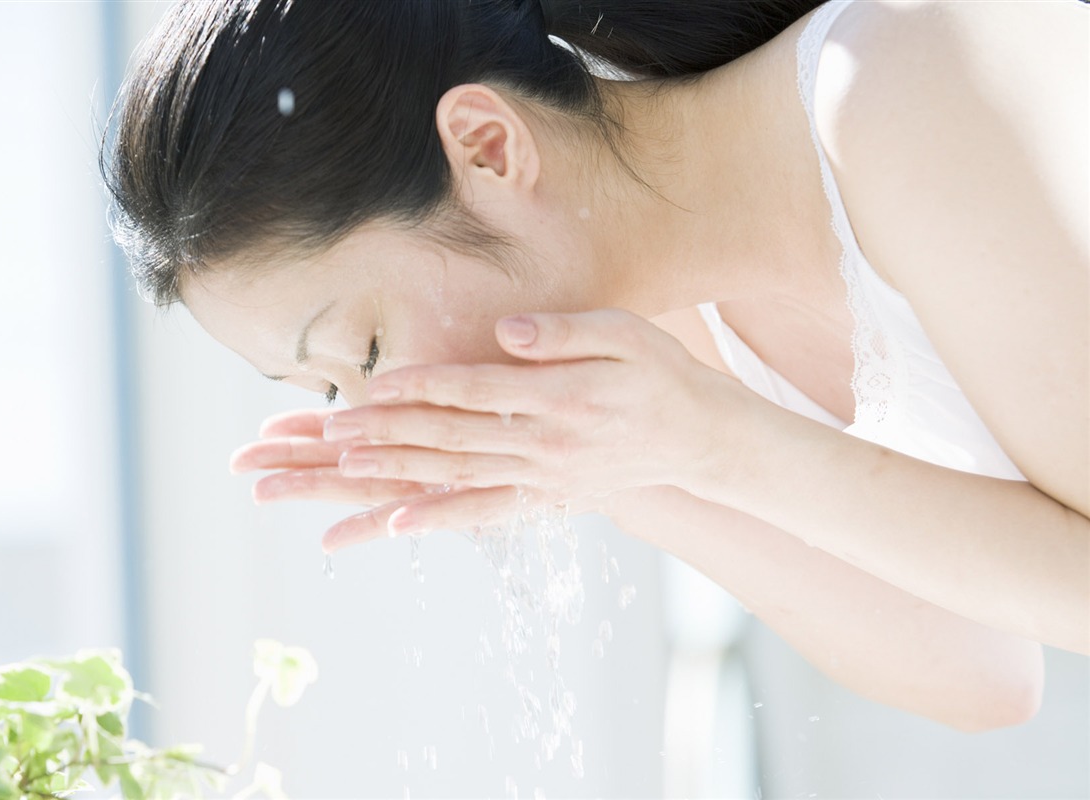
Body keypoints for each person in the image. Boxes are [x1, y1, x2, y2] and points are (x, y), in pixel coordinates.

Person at [102, 0, 1089, 733]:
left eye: (362, 351)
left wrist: (724, 443)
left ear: (486, 149)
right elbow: (980, 668)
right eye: (328, 392)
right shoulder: (672, 332)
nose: (383, 412)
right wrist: (629, 471)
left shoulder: (888, 95)